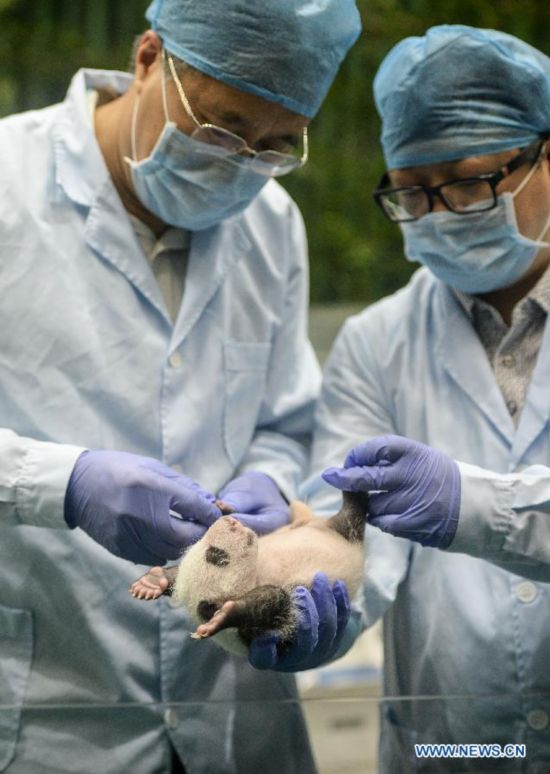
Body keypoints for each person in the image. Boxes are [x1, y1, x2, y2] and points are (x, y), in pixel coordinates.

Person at [0, 1, 362, 771]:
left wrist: (269, 472)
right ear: (148, 56)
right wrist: (61, 482)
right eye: (222, 128)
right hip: (47, 715)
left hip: (233, 718)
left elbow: (285, 417)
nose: (242, 162)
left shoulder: (272, 226)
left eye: (275, 144)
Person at [305, 25, 550, 772]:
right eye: (411, 192)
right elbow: (351, 535)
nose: (440, 213)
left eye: (471, 181)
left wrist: (468, 505)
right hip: (450, 745)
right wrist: (307, 590)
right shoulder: (377, 342)